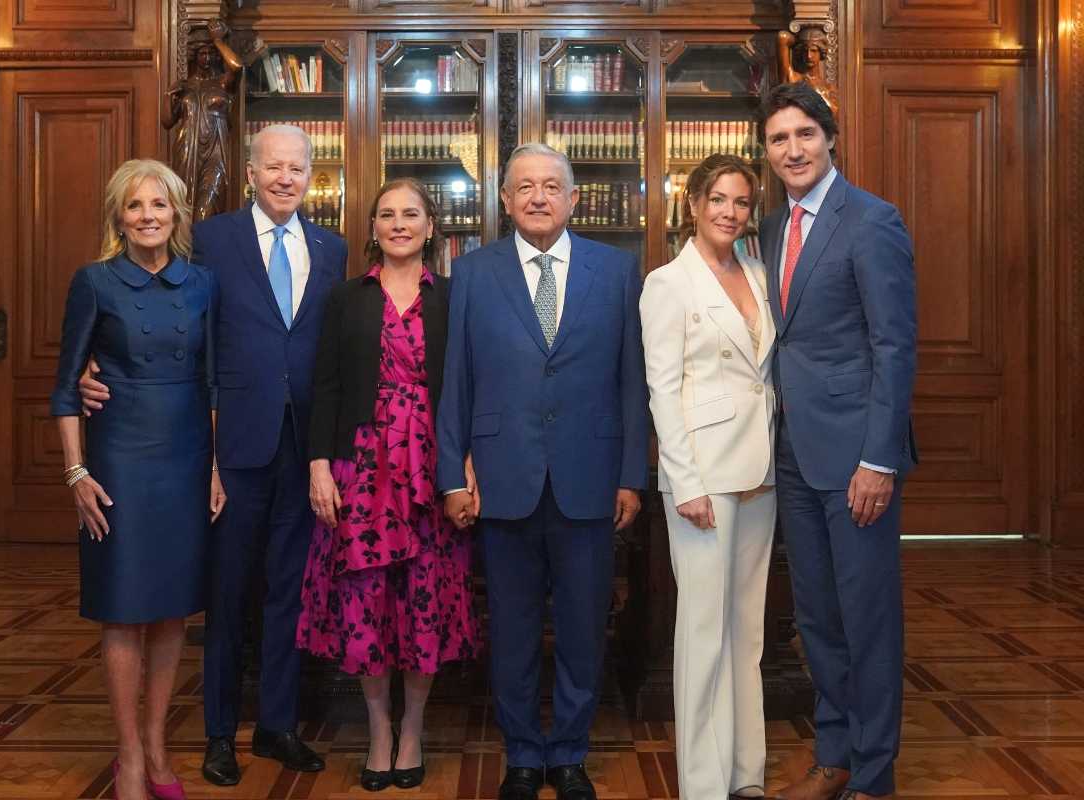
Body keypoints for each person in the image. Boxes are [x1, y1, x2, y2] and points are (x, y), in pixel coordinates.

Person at [79, 124, 349, 787]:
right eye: (273, 166)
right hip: (229, 446)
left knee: (291, 588)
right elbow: (168, 313)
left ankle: (279, 724)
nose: (285, 177)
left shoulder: (333, 247)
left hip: (307, 443)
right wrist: (94, 360)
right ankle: (219, 733)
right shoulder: (211, 238)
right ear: (251, 173)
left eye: (297, 167)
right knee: (227, 592)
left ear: (311, 174)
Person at [437, 142, 649, 800]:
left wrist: (631, 475)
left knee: (584, 628)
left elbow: (631, 381)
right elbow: (457, 384)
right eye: (523, 186)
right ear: (503, 200)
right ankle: (524, 751)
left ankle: (570, 752)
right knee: (514, 627)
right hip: (503, 479)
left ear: (573, 198)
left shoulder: (616, 270)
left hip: (591, 475)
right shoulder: (473, 272)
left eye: (550, 186)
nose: (537, 196)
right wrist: (450, 474)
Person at [757, 82, 917, 800]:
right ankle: (834, 755)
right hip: (792, 453)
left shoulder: (871, 221)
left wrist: (878, 459)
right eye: (778, 139)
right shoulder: (770, 227)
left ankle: (874, 775)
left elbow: (894, 346)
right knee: (817, 617)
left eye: (804, 135)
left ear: (830, 139)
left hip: (857, 460)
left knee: (867, 620)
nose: (792, 149)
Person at [299, 178, 481, 791]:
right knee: (366, 604)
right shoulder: (345, 299)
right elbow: (323, 386)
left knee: (425, 600)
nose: (399, 224)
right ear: (372, 228)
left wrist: (468, 466)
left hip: (433, 472)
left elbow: (470, 392)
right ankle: (379, 728)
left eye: (411, 214)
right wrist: (319, 465)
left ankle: (413, 731)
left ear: (432, 227)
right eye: (386, 215)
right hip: (361, 469)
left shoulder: (455, 299)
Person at [51, 158, 219, 800]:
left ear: (177, 214)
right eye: (134, 206)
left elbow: (213, 381)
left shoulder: (203, 283)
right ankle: (127, 757)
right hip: (119, 458)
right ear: (117, 217)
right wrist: (76, 472)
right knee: (122, 612)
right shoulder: (94, 282)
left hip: (185, 457)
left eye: (160, 205)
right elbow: (67, 386)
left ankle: (157, 747)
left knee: (173, 610)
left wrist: (214, 466)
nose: (148, 216)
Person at [641, 153, 777, 800]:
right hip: (703, 476)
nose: (728, 212)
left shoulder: (758, 270)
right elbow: (662, 390)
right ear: (692, 204)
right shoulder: (669, 283)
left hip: (761, 469)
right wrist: (685, 480)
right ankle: (701, 784)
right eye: (717, 199)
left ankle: (745, 774)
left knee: (746, 632)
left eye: (741, 203)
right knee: (703, 633)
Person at [162, 20, 243, 222]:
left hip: (216, 151)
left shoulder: (222, 83)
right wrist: (168, 96)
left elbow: (236, 66)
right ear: (195, 56)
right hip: (187, 149)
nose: (207, 58)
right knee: (183, 211)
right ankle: (185, 252)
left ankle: (203, 252)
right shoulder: (184, 86)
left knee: (207, 210)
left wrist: (217, 40)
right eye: (203, 54)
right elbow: (167, 122)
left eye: (211, 54)